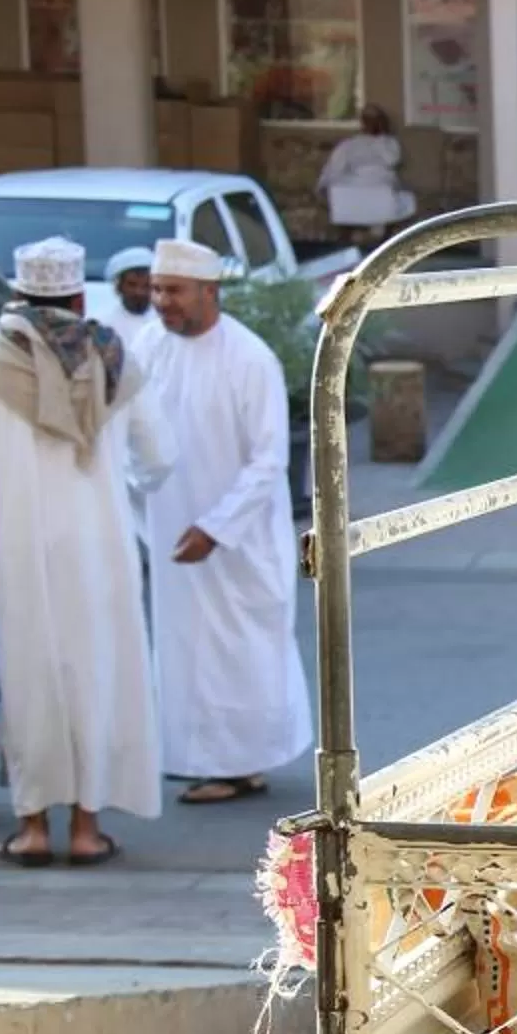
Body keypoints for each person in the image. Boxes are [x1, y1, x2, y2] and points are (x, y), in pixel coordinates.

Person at [0, 237, 167, 868]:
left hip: (12, 546)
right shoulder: (113, 356)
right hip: (98, 549)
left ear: (17, 294)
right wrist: (114, 485)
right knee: (94, 678)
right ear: (79, 295)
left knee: (26, 683)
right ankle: (86, 828)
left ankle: (31, 828)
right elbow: (160, 457)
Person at [140, 238, 312, 806]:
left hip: (237, 539)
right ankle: (195, 756)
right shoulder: (149, 346)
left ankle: (241, 764)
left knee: (238, 651)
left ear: (209, 292)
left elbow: (270, 459)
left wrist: (215, 527)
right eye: (158, 289)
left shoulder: (248, 358)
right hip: (170, 527)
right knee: (184, 647)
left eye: (174, 291)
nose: (163, 301)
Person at [319, 105, 415, 234]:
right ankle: (351, 229)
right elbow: (335, 168)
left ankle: (377, 229)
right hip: (355, 181)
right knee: (339, 188)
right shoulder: (350, 144)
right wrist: (325, 185)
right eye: (368, 120)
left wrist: (380, 138)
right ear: (363, 122)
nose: (372, 124)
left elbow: (392, 160)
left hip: (381, 181)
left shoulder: (389, 142)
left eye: (376, 120)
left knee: (396, 196)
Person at [91, 246, 156, 350]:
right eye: (132, 284)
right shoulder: (102, 324)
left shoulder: (165, 322)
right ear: (119, 287)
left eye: (146, 286)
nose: (139, 292)